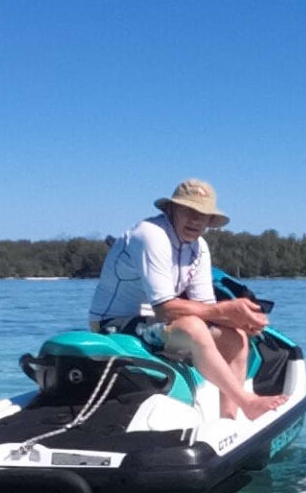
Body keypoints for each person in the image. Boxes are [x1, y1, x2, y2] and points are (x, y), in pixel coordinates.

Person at [86, 179, 282, 419]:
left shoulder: (199, 248)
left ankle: (228, 419)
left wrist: (241, 321)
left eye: (203, 214)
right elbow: (165, 309)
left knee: (236, 337)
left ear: (210, 221)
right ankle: (247, 401)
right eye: (188, 211)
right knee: (193, 327)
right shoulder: (151, 235)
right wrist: (227, 310)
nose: (196, 219)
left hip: (153, 323)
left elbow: (206, 308)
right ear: (171, 210)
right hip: (114, 324)